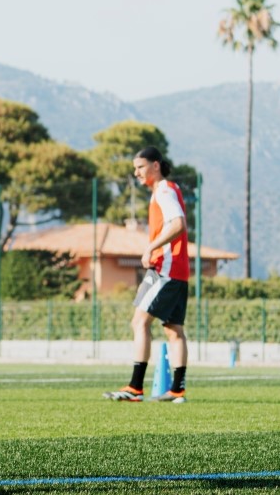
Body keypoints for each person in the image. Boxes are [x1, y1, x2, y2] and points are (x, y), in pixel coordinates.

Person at [105, 147, 190, 403]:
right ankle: (177, 391)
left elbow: (178, 224)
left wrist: (151, 247)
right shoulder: (170, 189)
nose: (136, 173)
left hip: (165, 268)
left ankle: (135, 387)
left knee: (139, 322)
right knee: (174, 330)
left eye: (140, 167)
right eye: (135, 168)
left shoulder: (163, 191)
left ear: (156, 165)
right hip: (179, 270)